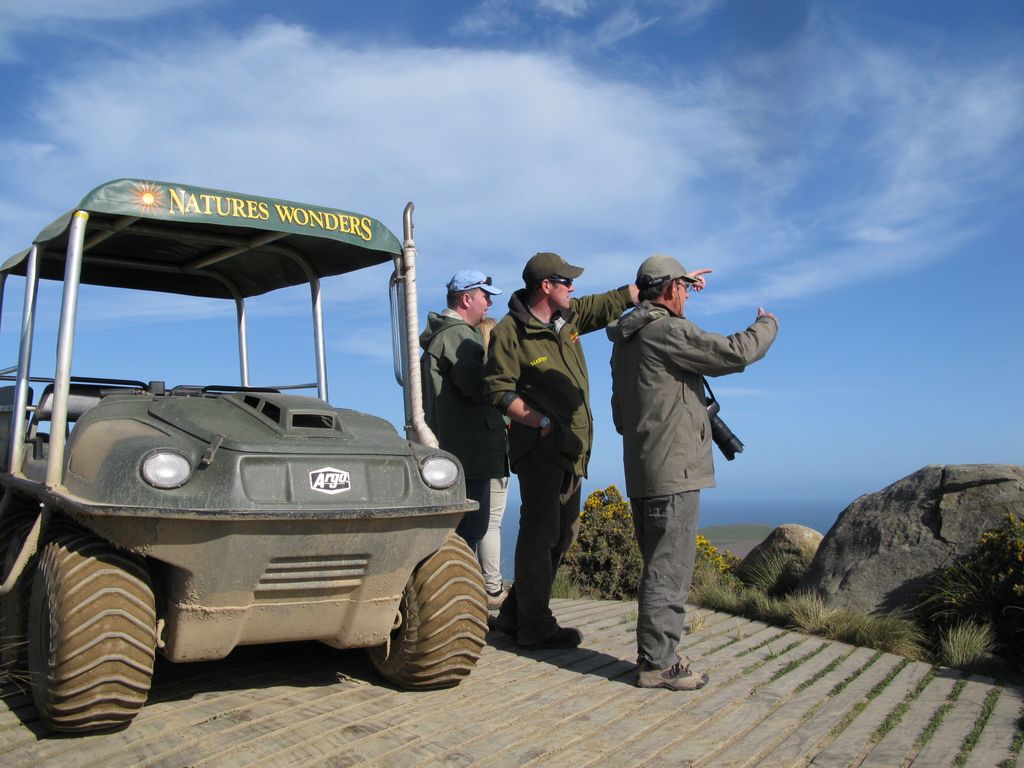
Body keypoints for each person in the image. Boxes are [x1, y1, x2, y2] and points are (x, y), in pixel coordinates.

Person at [607, 254, 778, 690]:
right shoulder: (666, 331)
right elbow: (733, 353)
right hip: (674, 470)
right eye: (682, 289)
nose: (688, 296)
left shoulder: (625, 341)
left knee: (657, 564)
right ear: (668, 291)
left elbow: (621, 417)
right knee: (669, 569)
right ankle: (658, 664)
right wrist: (768, 325)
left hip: (644, 468)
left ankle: (657, 654)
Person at [482, 251, 638, 649]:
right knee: (540, 536)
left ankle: (515, 615)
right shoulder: (510, 332)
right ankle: (535, 627)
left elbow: (612, 301)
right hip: (540, 451)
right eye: (566, 282)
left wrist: (669, 282)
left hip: (571, 450)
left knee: (564, 535)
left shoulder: (567, 319)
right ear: (545, 286)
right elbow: (498, 390)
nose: (573, 288)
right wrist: (541, 422)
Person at [420, 270, 509, 555]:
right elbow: (482, 388)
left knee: (461, 533)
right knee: (469, 532)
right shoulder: (459, 336)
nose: (489, 305)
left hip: (457, 451)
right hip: (470, 453)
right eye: (485, 297)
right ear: (467, 299)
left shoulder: (443, 335)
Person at [475, 317, 510, 609]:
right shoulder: (495, 371)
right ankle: (492, 587)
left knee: (476, 521)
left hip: (471, 453)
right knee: (491, 522)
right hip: (493, 453)